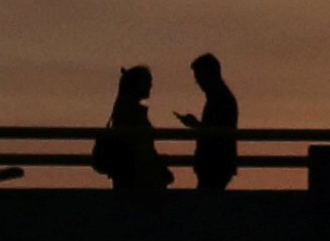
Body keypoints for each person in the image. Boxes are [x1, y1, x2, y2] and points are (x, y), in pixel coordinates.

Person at [97, 65, 172, 191]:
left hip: (128, 174)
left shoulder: (123, 108)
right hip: (136, 177)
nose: (150, 85)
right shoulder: (130, 111)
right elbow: (139, 146)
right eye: (147, 82)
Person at [175, 52, 239, 191]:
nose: (197, 82)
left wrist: (196, 125)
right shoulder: (220, 97)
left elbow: (216, 132)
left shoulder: (220, 98)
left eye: (199, 77)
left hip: (214, 163)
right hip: (216, 163)